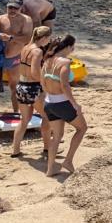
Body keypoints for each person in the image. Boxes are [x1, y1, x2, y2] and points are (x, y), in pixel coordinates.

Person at [41, 35, 86, 177]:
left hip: (49, 102)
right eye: (72, 47)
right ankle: (68, 160)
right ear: (67, 46)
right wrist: (75, 104)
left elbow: (42, 82)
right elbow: (65, 85)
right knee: (82, 128)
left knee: (57, 136)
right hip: (62, 103)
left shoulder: (47, 61)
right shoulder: (65, 62)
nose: (73, 50)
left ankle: (50, 169)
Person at [10, 25, 53, 158]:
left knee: (24, 120)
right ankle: (47, 149)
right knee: (48, 117)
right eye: (48, 38)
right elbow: (34, 72)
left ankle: (15, 150)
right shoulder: (37, 51)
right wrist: (45, 80)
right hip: (33, 88)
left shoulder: (25, 48)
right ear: (44, 38)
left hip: (21, 86)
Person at [0, 0, 34, 112]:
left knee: (15, 87)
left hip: (15, 58)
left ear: (21, 8)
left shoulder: (26, 20)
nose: (12, 10)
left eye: (15, 8)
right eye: (10, 7)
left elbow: (27, 38)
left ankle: (17, 112)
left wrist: (11, 38)